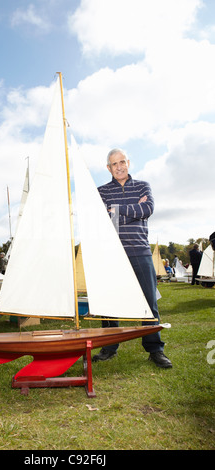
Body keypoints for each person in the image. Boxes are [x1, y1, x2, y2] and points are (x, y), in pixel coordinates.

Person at [92, 148, 172, 368]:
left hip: (139, 249)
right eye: (114, 164)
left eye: (122, 162)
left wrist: (116, 210)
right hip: (112, 252)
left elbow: (148, 208)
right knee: (109, 303)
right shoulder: (101, 191)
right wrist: (134, 211)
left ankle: (155, 349)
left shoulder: (143, 185)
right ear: (108, 168)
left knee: (149, 302)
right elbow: (104, 219)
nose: (119, 166)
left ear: (128, 162)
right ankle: (109, 347)